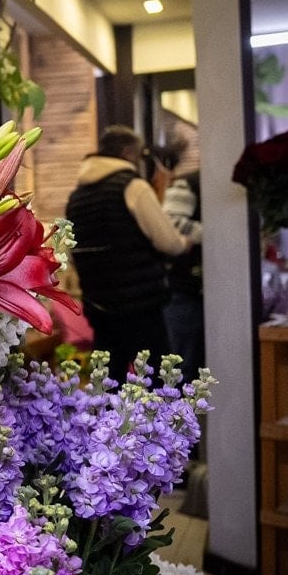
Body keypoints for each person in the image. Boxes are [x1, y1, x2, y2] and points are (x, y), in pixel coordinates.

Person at [65, 126, 196, 383]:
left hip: (98, 304)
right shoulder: (132, 186)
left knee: (108, 382)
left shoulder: (77, 197)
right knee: (157, 380)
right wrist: (186, 242)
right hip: (140, 305)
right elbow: (167, 241)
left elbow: (72, 251)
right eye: (138, 154)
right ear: (127, 152)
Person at [161, 160, 205, 381]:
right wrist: (219, 231)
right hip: (185, 289)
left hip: (210, 292)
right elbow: (170, 225)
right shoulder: (188, 184)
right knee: (183, 367)